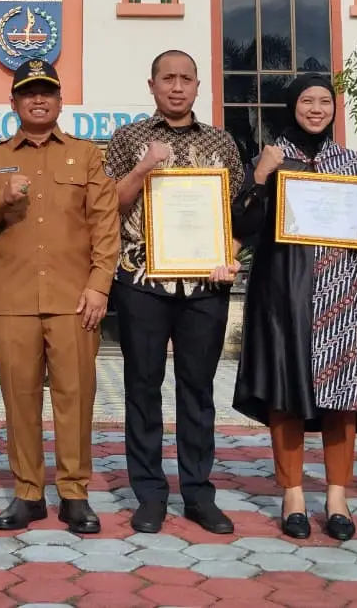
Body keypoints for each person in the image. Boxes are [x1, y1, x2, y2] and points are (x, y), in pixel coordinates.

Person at [232, 73, 357, 541]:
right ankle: (292, 494)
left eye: (324, 101)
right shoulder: (270, 158)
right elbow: (242, 225)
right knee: (285, 393)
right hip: (283, 293)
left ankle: (337, 497)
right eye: (307, 100)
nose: (316, 109)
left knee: (343, 397)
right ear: (291, 106)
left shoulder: (352, 162)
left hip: (344, 291)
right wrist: (260, 176)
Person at [0, 59, 120, 535]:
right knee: (19, 399)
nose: (38, 100)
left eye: (46, 92)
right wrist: (1, 199)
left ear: (60, 101)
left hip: (75, 299)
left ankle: (74, 493)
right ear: (13, 102)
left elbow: (105, 224)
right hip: (12, 301)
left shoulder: (86, 156)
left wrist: (99, 284)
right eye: (28, 92)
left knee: (76, 397)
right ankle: (28, 492)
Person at [101, 49, 243, 535]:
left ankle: (199, 493)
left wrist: (230, 254)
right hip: (142, 281)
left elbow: (235, 213)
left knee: (197, 390)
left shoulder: (221, 142)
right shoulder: (128, 138)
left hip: (205, 283)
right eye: (168, 78)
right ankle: (149, 493)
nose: (177, 87)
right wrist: (143, 168)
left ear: (198, 86)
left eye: (186, 78)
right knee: (142, 387)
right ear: (152, 85)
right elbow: (109, 205)